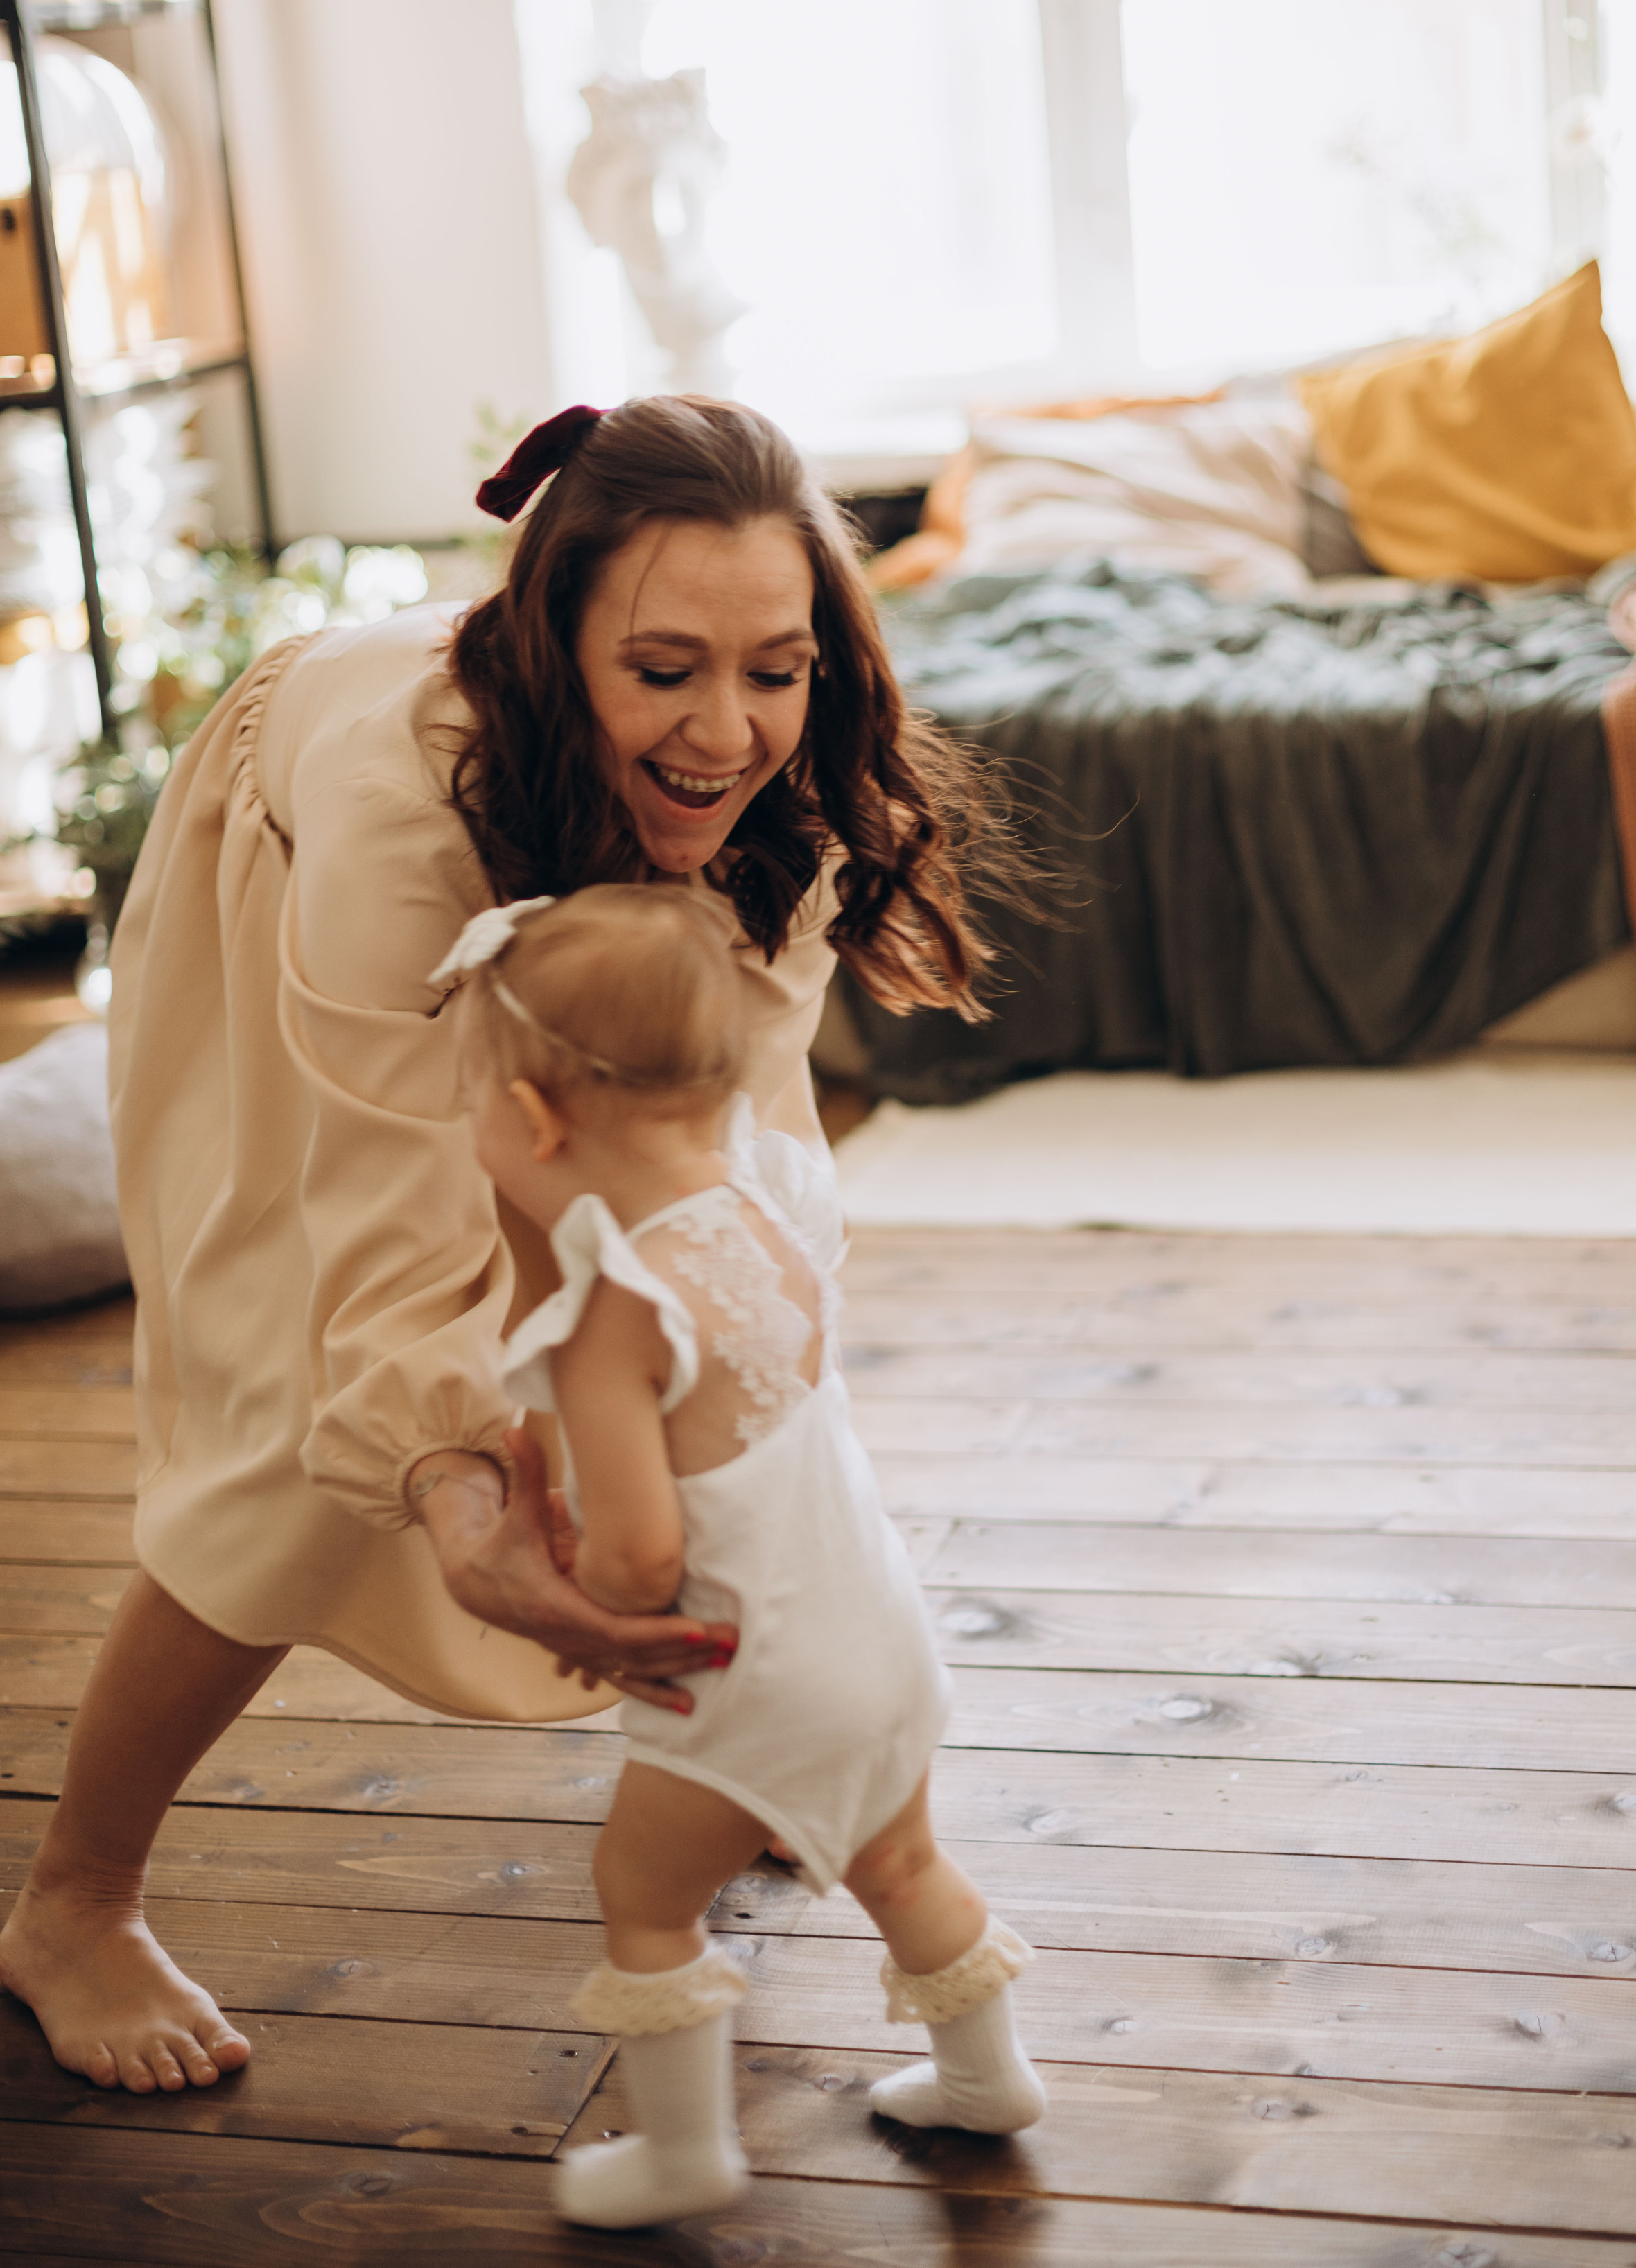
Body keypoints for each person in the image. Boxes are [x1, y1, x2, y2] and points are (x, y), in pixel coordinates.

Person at [0, 396, 1014, 2097]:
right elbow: (395, 1230)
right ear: (555, 643)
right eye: (665, 667)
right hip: (312, 880)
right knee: (287, 1426)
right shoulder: (396, 802)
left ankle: (748, 1751)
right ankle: (72, 1901)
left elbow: (733, 1145)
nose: (726, 727)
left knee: (700, 1293)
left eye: (775, 666)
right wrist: (456, 1491)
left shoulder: (786, 774)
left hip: (593, 926)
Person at [446, 880, 1043, 2230]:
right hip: (876, 1629)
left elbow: (645, 1555)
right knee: (902, 1867)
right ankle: (987, 2077)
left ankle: (681, 2155)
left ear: (534, 1120)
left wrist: (580, 1595)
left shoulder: (615, 1305)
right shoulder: (762, 1209)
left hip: (748, 1666)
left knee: (642, 1895)